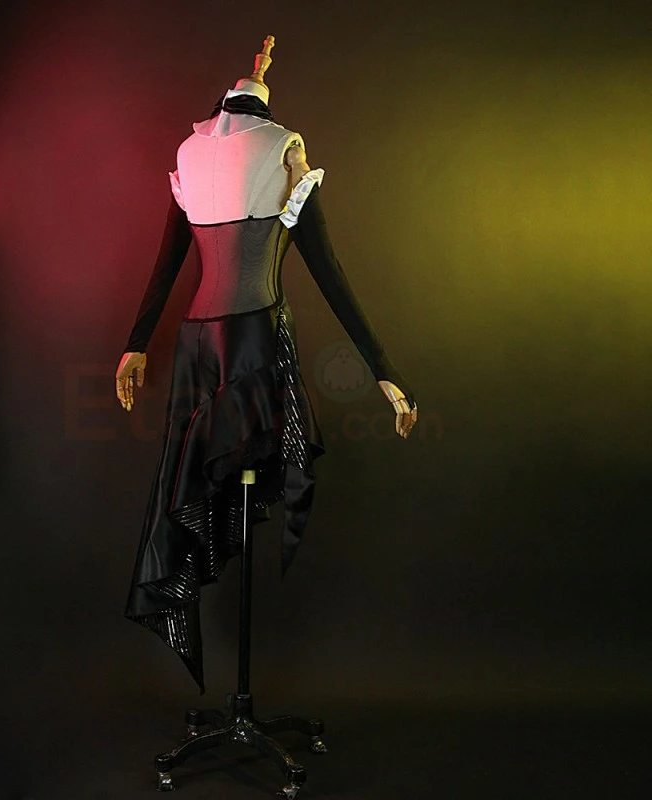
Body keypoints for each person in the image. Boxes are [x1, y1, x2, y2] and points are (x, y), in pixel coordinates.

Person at [116, 36, 417, 692]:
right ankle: (241, 699)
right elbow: (327, 270)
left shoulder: (191, 152)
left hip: (199, 347)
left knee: (206, 482)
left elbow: (168, 266)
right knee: (237, 479)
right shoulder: (284, 148)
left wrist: (136, 343)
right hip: (253, 342)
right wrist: (383, 368)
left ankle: (239, 693)